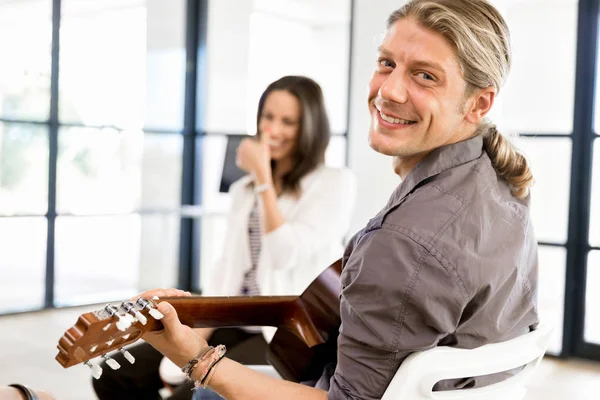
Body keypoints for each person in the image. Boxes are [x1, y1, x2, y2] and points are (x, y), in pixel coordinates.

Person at [135, 0, 540, 398]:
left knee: (205, 393)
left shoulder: (401, 242)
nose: (389, 90)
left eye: (426, 76)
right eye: (386, 63)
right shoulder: (499, 185)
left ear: (479, 103)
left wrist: (196, 359)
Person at [92, 75, 357, 400]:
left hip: (280, 332)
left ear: (309, 129)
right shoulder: (242, 191)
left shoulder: (334, 183)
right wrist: (197, 329)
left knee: (188, 396)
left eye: (288, 121)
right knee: (114, 374)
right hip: (231, 317)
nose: (272, 129)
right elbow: (227, 267)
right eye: (268, 117)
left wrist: (263, 177)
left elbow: (283, 254)